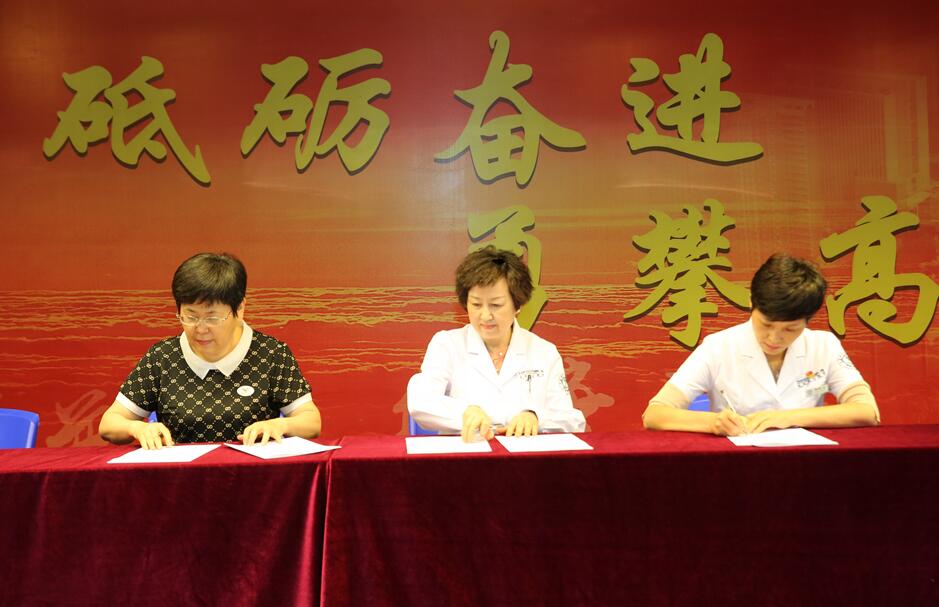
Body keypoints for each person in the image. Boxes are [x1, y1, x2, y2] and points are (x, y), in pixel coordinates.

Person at [99, 252, 321, 449]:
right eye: (190, 316)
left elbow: (311, 422)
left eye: (212, 318)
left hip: (253, 475)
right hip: (181, 477)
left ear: (240, 308)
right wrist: (137, 428)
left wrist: (280, 425)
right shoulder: (163, 357)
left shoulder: (271, 353)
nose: (201, 328)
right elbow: (109, 424)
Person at [643, 253, 879, 436]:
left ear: (808, 319)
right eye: (766, 324)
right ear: (751, 303)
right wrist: (712, 422)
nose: (774, 338)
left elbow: (867, 411)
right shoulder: (718, 346)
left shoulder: (823, 345)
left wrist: (788, 418)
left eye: (790, 329)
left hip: (806, 461)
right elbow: (655, 413)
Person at [408, 246, 586, 441]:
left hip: (524, 456)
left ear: (518, 304)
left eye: (496, 305)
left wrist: (535, 417)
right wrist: (465, 411)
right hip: (467, 453)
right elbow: (420, 401)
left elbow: (572, 421)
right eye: (476, 304)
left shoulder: (544, 352)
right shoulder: (447, 344)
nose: (485, 315)